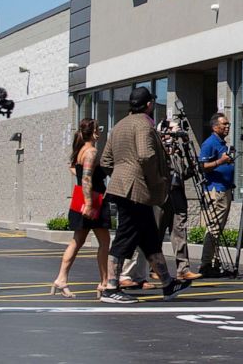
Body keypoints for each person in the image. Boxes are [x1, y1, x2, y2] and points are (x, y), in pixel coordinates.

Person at [99, 87, 191, 304]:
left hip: (123, 187)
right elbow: (146, 154)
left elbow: (105, 161)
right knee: (125, 236)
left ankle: (168, 283)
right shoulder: (143, 124)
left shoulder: (119, 125)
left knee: (149, 238)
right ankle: (111, 287)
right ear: (149, 104)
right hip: (136, 190)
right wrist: (157, 180)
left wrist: (121, 173)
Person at [51, 118, 110, 299]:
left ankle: (61, 279)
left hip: (80, 199)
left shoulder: (80, 151)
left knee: (77, 241)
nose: (99, 131)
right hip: (92, 201)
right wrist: (90, 203)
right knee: (105, 242)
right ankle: (104, 283)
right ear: (93, 133)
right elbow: (86, 178)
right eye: (97, 128)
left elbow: (75, 170)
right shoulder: (91, 152)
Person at [198, 113, 234, 277]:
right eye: (224, 124)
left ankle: (214, 262)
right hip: (216, 190)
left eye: (228, 124)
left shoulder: (221, 143)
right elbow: (203, 166)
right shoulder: (209, 143)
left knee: (217, 229)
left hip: (224, 189)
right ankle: (206, 264)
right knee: (213, 228)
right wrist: (220, 162)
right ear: (214, 127)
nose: (227, 127)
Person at [161, 120, 198, 281]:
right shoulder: (160, 148)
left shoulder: (178, 151)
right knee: (157, 232)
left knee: (180, 231)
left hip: (177, 193)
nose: (177, 135)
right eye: (175, 131)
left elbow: (183, 173)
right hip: (162, 195)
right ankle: (154, 267)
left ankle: (183, 268)